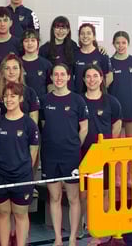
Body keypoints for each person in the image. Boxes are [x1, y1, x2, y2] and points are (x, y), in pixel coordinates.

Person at [40, 63, 88, 246]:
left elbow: (84, 128)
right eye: (56, 75)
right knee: (54, 197)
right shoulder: (45, 100)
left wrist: (74, 146)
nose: (59, 78)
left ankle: (73, 237)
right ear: (52, 78)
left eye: (62, 74)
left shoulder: (77, 100)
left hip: (71, 156)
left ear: (68, 77)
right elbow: (43, 125)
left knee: (73, 198)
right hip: (50, 156)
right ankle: (58, 239)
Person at [0, 82, 39, 246]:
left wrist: (23, 171)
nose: (9, 99)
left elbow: (33, 151)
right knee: (3, 213)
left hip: (21, 176)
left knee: (20, 214)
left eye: (13, 96)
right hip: (0, 176)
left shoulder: (29, 124)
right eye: (6, 96)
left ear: (20, 98)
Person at [80, 64, 122, 243]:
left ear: (101, 79)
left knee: (104, 192)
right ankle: (85, 225)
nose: (92, 80)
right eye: (88, 76)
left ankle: (101, 227)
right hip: (83, 154)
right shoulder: (78, 101)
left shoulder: (111, 102)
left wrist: (106, 149)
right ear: (84, 80)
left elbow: (117, 126)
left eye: (95, 76)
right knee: (84, 193)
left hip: (104, 156)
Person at [109, 31, 132, 137]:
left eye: (123, 43)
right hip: (114, 107)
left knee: (130, 141)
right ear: (113, 44)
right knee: (114, 142)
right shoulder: (109, 62)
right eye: (117, 43)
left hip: (130, 107)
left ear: (128, 44)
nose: (120, 46)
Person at [0, 54, 40, 124]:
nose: (11, 72)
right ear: (2, 72)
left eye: (15, 68)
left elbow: (33, 121)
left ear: (20, 71)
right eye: (7, 68)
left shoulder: (30, 92)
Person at [73, 23, 113, 93]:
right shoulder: (74, 54)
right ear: (79, 37)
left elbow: (109, 77)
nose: (85, 36)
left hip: (97, 96)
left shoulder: (101, 54)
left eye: (88, 33)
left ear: (94, 37)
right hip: (79, 95)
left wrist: (97, 91)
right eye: (82, 33)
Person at [21, 29, 53, 104]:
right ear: (22, 43)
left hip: (41, 104)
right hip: (22, 104)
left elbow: (50, 87)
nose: (29, 43)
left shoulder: (46, 64)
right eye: (26, 41)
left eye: (33, 40)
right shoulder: (17, 63)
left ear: (38, 42)